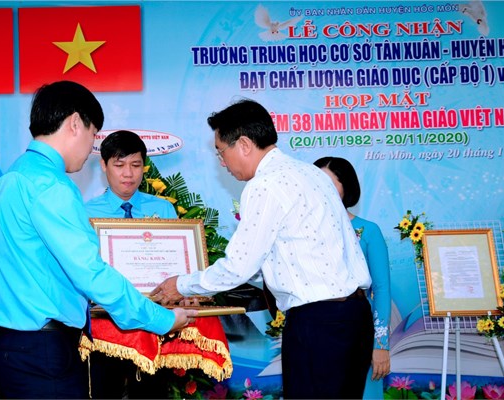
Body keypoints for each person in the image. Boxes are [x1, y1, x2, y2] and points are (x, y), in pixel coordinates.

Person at [0, 80, 197, 399]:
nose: (91, 147)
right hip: (44, 356)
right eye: (93, 134)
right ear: (75, 123)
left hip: (9, 351)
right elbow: (90, 273)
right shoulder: (51, 186)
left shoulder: (10, 179)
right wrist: (163, 319)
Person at [151, 98, 374, 399]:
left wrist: (181, 285)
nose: (222, 162)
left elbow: (238, 267)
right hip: (354, 316)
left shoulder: (265, 185)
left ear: (243, 144)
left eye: (221, 151)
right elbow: (278, 258)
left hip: (318, 323)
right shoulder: (312, 174)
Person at [85, 130, 177, 399]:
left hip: (154, 324)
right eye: (119, 165)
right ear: (103, 165)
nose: (128, 174)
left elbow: (178, 265)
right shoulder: (85, 213)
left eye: (136, 165)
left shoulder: (163, 210)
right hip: (105, 326)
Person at [314, 156, 392, 400]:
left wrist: (380, 345)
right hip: (314, 329)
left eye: (328, 183)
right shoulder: (302, 232)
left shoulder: (369, 231)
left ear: (346, 187)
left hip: (358, 328)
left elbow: (381, 289)